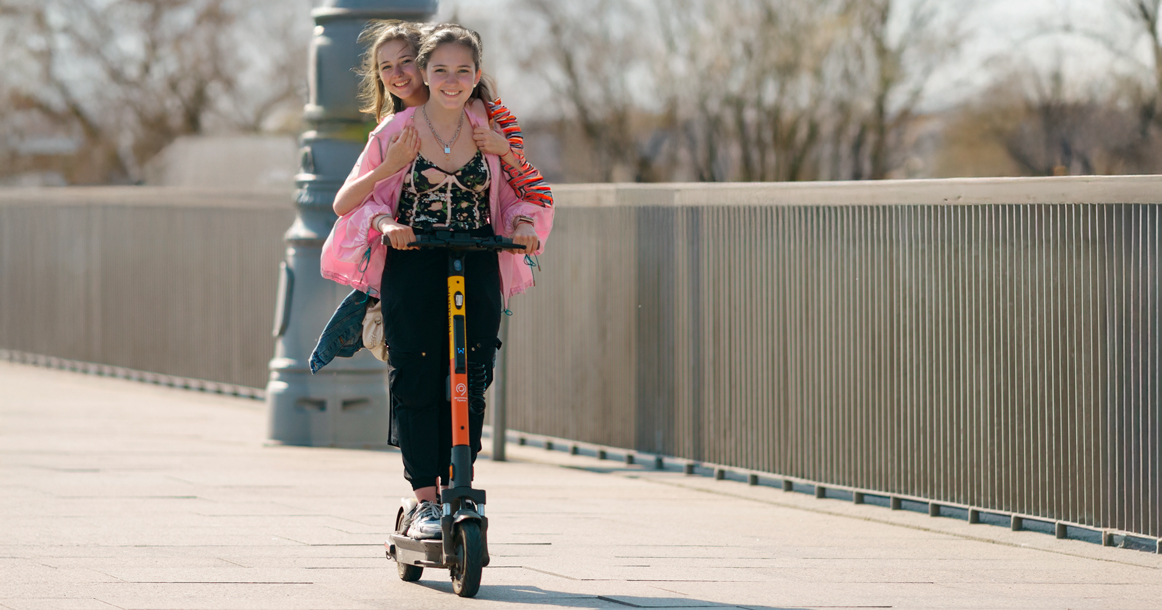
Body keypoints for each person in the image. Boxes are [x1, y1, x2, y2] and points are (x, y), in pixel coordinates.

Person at [318, 23, 553, 542]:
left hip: (477, 260)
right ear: (426, 73)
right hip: (413, 262)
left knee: (471, 376)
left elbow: (525, 193)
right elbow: (357, 203)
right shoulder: (395, 130)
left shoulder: (491, 124)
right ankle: (425, 499)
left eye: (462, 70)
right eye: (440, 70)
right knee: (417, 377)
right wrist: (387, 224)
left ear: (477, 74)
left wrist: (522, 223)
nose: (451, 80)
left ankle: (458, 485)